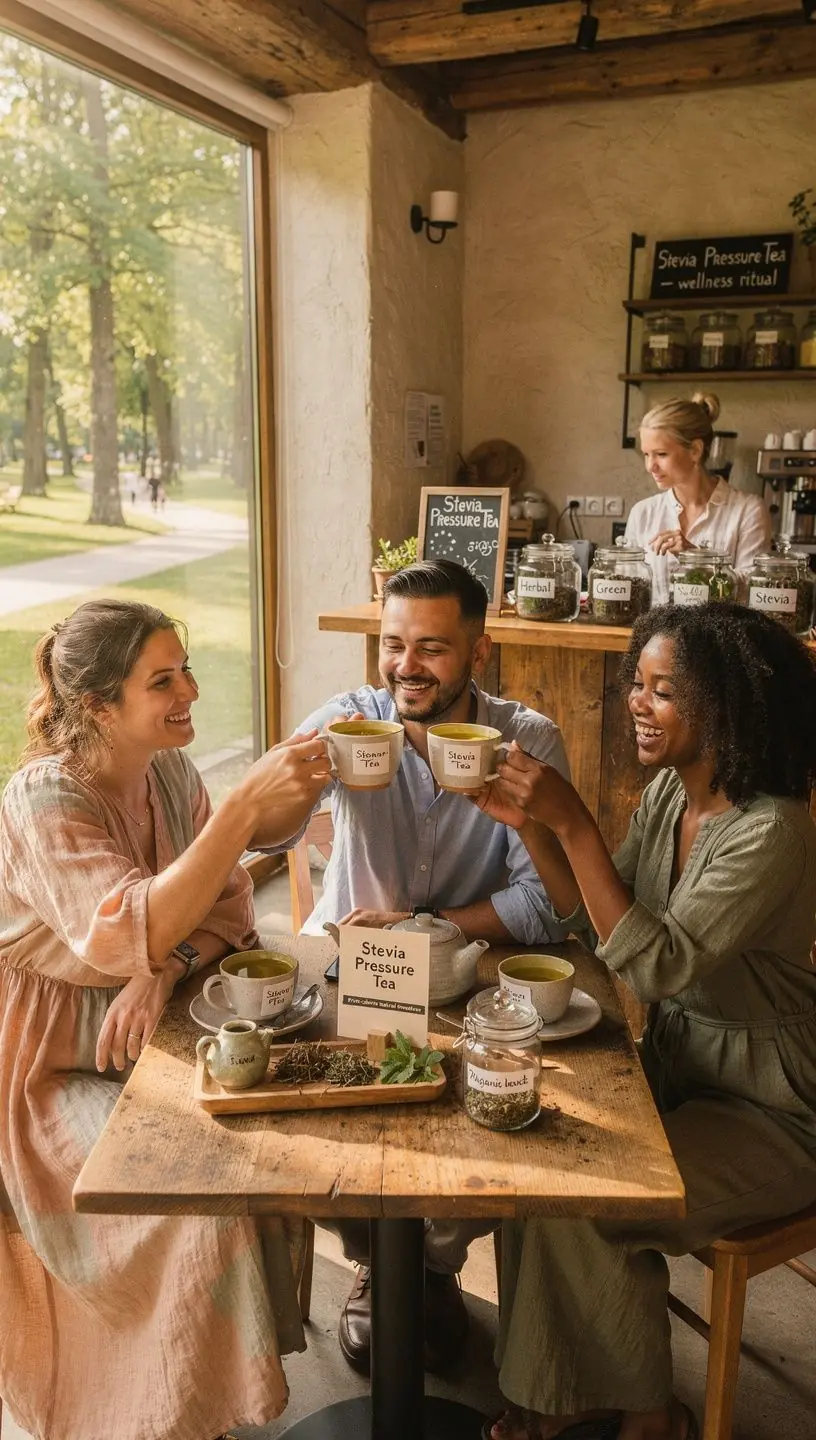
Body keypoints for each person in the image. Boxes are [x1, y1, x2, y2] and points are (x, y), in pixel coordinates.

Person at [469, 603, 816, 1440]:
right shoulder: (669, 794)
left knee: (599, 1198)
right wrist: (536, 832)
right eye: (638, 682)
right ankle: (561, 1389)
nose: (636, 701)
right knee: (540, 1163)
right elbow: (599, 924)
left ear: (728, 709)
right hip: (677, 1063)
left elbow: (657, 963)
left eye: (665, 691)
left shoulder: (771, 831)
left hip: (774, 1109)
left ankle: (647, 1414)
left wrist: (573, 819)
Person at [0, 599, 331, 1440]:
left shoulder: (169, 772)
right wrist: (241, 815)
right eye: (163, 680)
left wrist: (164, 968)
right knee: (189, 1205)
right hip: (48, 1060)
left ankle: (198, 1401)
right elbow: (122, 930)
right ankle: (143, 1416)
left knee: (266, 1151)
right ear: (98, 706)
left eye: (186, 667)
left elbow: (227, 914)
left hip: (157, 1025)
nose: (190, 690)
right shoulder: (43, 798)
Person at [258, 558, 573, 1374]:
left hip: (471, 981)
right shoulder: (349, 720)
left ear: (480, 649)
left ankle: (430, 1269)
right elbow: (267, 840)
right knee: (307, 1139)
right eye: (393, 644)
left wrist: (425, 924)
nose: (406, 666)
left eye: (432, 648)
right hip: (349, 979)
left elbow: (545, 909)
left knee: (492, 1133)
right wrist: (291, 789)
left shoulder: (526, 739)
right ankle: (375, 1265)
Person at [624, 393, 771, 604]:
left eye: (661, 454)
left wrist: (696, 558)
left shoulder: (748, 511)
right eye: (646, 454)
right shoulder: (643, 513)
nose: (650, 466)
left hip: (723, 637)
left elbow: (754, 589)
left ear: (695, 450)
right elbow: (632, 591)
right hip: (654, 636)